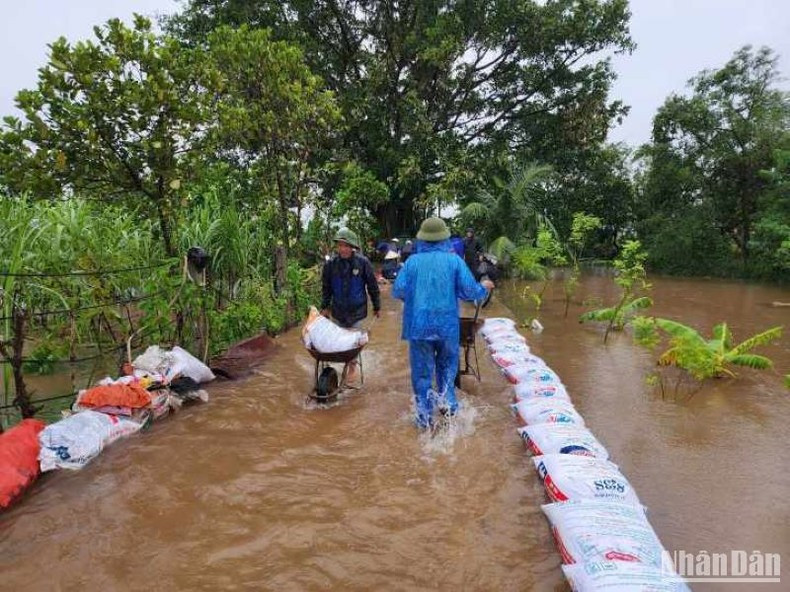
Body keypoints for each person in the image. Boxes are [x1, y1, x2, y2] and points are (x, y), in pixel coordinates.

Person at [392, 217, 494, 429]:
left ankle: (424, 421)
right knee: (447, 368)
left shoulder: (412, 263)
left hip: (419, 327)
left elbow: (399, 290)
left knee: (421, 374)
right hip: (447, 327)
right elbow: (470, 292)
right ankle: (448, 412)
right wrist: (484, 286)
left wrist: (417, 300)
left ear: (422, 239)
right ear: (444, 238)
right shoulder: (454, 261)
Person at [321, 228, 381, 380]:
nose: (343, 249)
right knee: (339, 342)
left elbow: (372, 286)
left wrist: (377, 306)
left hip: (357, 311)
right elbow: (326, 288)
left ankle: (352, 368)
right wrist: (325, 307)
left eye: (346, 246)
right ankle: (342, 365)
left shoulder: (363, 263)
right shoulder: (331, 265)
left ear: (353, 247)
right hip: (338, 310)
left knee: (353, 343)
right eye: (340, 245)